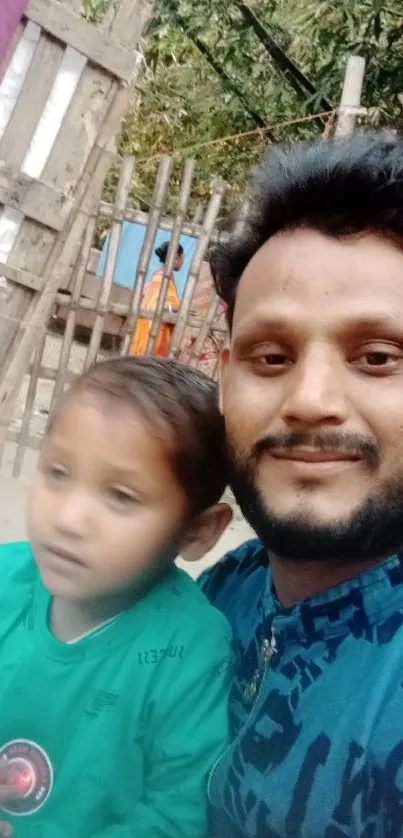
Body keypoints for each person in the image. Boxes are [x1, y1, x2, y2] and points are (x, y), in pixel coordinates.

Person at [200, 133, 403, 837]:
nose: (309, 398)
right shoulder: (216, 596)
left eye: (376, 356)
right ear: (224, 375)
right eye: (271, 356)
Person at [0, 356, 233, 837]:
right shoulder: (7, 576)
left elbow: (176, 818)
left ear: (198, 530)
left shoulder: (190, 652)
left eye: (121, 496)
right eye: (58, 472)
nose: (68, 518)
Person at [131, 241, 183, 358]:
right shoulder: (160, 279)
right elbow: (155, 305)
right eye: (182, 257)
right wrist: (176, 308)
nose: (183, 261)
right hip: (154, 333)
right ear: (176, 257)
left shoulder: (165, 276)